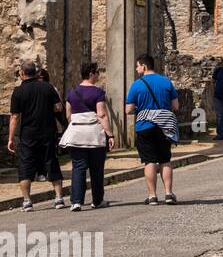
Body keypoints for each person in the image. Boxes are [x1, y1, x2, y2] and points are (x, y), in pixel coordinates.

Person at [8, 61, 64, 211]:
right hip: (47, 132)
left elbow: (14, 117)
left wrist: (10, 138)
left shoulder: (18, 91)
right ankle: (59, 198)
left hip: (28, 134)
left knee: (25, 166)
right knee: (51, 162)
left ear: (22, 73)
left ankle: (27, 201)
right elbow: (58, 107)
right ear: (35, 72)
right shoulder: (48, 88)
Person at [124, 54, 180, 205]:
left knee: (149, 161)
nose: (136, 69)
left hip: (145, 126)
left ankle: (152, 196)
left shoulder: (136, 85)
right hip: (164, 127)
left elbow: (128, 110)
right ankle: (168, 193)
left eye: (137, 66)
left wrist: (141, 109)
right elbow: (175, 106)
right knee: (165, 160)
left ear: (144, 66)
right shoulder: (166, 82)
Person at [60, 62, 114, 210]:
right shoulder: (98, 93)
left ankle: (76, 201)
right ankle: (97, 200)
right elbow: (102, 114)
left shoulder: (72, 93)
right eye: (97, 72)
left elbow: (68, 116)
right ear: (91, 73)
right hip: (94, 134)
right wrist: (110, 134)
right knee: (96, 169)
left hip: (76, 134)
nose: (98, 75)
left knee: (78, 167)